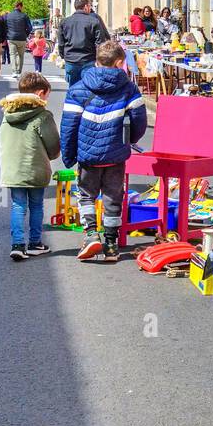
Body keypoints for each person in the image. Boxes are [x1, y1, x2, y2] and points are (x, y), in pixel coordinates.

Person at [60, 39, 147, 263]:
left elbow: (69, 125)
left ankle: (90, 234)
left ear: (97, 61)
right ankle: (110, 244)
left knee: (86, 195)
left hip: (87, 156)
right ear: (119, 62)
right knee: (113, 197)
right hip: (116, 154)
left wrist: (69, 154)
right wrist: (130, 141)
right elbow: (139, 121)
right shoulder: (129, 88)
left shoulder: (78, 88)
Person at [0, 71, 61, 261]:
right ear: (41, 93)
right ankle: (35, 243)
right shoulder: (42, 115)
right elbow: (53, 145)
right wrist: (52, 156)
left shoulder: (8, 114)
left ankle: (17, 244)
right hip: (36, 168)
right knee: (36, 205)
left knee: (18, 205)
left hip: (12, 168)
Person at [57, 0, 110, 86]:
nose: (90, 9)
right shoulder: (94, 21)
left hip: (71, 59)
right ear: (86, 7)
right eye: (90, 6)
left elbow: (61, 42)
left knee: (73, 87)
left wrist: (63, 55)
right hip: (88, 58)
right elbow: (99, 42)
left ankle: (73, 100)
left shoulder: (65, 22)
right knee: (88, 87)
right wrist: (98, 58)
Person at [5, 0, 33, 77]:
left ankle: (14, 71)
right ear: (20, 6)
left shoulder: (8, 16)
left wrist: (7, 35)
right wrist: (26, 34)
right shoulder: (24, 16)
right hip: (22, 38)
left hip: (11, 38)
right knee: (21, 55)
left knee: (13, 55)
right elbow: (30, 28)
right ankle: (18, 71)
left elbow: (5, 27)